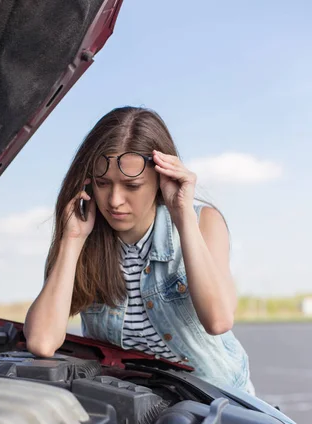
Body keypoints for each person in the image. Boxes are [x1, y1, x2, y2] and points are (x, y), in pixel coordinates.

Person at [24, 106, 254, 393]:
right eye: (103, 183)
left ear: (160, 179)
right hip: (130, 404)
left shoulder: (203, 221)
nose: (115, 200)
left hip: (213, 402)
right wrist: (72, 240)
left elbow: (219, 320)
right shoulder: (83, 234)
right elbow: (41, 342)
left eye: (132, 185)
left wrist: (182, 216)